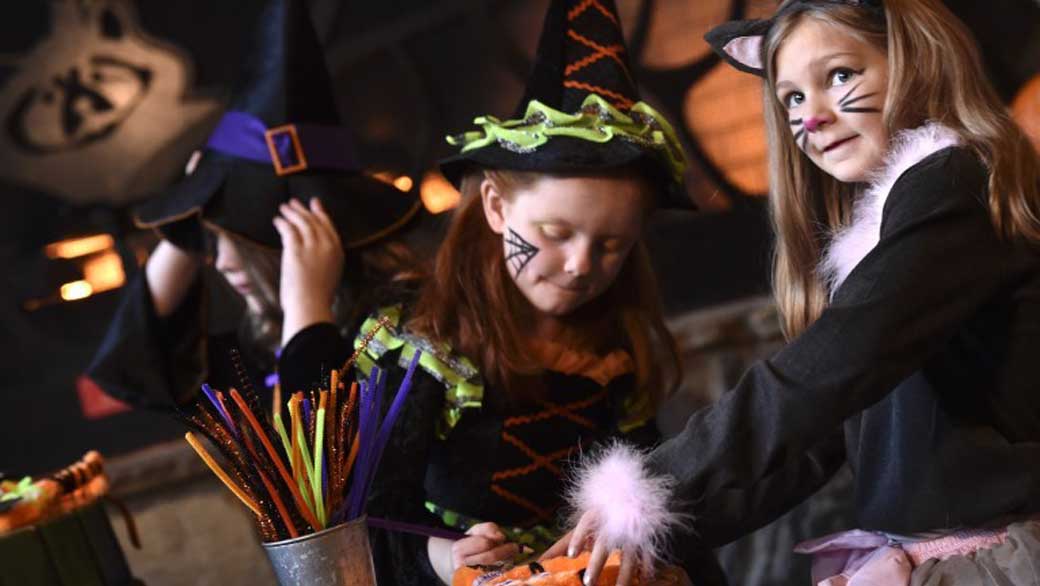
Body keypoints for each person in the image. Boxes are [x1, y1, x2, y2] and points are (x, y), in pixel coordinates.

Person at [553, 0, 1040, 584]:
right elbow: (819, 438)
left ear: (914, 58)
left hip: (994, 557)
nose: (813, 117)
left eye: (840, 75)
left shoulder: (953, 183)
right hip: (922, 553)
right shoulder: (895, 228)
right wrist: (655, 528)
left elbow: (826, 372)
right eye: (792, 98)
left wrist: (653, 481)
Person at [338, 1, 726, 584]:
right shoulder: (425, 348)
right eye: (554, 233)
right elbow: (371, 514)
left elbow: (648, 484)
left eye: (611, 245)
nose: (579, 265)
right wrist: (443, 558)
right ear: (496, 207)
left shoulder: (611, 352)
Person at [87, 0, 424, 410]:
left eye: (240, 236)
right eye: (212, 242)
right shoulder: (261, 340)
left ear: (308, 233)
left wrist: (308, 306)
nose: (221, 261)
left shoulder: (398, 331)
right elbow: (126, 370)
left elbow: (322, 462)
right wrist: (191, 223)